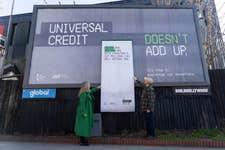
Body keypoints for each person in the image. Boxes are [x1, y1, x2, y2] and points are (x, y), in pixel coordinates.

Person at [75, 81, 100, 146]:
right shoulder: (83, 94)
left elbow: (91, 91)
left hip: (86, 112)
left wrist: (98, 88)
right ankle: (83, 142)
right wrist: (83, 113)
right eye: (89, 85)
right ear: (86, 86)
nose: (89, 86)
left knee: (84, 127)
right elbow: (82, 104)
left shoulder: (87, 92)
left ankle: (83, 141)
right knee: (83, 127)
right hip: (83, 113)